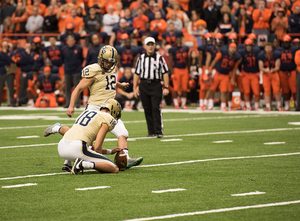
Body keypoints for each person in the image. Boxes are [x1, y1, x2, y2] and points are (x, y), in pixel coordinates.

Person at [46, 45, 142, 171]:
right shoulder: (94, 70)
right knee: (81, 135)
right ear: (100, 59)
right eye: (106, 61)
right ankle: (67, 162)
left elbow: (108, 80)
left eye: (111, 62)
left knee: (123, 133)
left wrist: (119, 84)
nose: (108, 64)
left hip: (111, 110)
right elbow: (79, 88)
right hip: (95, 108)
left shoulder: (111, 69)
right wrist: (71, 105)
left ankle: (126, 157)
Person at [55, 99, 122, 175]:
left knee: (85, 149)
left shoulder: (88, 111)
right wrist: (101, 163)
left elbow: (89, 147)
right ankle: (83, 164)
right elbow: (97, 147)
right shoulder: (107, 118)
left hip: (62, 146)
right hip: (76, 148)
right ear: (114, 111)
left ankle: (67, 163)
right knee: (114, 168)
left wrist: (110, 152)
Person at [133, 37, 169, 138]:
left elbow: (165, 73)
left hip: (156, 84)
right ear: (145, 46)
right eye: (148, 45)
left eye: (152, 44)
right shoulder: (141, 58)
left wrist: (166, 86)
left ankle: (159, 131)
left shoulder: (159, 58)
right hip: (144, 84)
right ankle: (151, 131)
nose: (150, 46)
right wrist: (135, 87)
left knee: (155, 107)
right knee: (147, 108)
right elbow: (136, 74)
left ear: (154, 45)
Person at [204, 43, 242, 112]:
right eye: (232, 48)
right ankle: (204, 104)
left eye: (234, 48)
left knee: (223, 91)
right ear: (229, 48)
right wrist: (210, 68)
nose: (233, 49)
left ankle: (223, 106)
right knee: (211, 89)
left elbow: (234, 68)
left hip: (225, 75)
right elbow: (215, 60)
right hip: (217, 73)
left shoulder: (236, 57)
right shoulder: (223, 52)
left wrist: (233, 78)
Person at [61, 35, 83, 108]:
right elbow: (62, 59)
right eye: (69, 41)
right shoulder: (64, 49)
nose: (71, 42)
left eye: (72, 41)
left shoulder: (79, 48)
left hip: (76, 70)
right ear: (67, 41)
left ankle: (77, 103)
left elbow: (81, 58)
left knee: (77, 87)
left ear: (74, 41)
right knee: (67, 88)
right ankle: (67, 103)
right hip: (67, 71)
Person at [258, 42, 282, 111]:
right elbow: (260, 67)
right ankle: (268, 106)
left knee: (277, 90)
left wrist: (273, 70)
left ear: (272, 48)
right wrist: (265, 69)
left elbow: (277, 67)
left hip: (274, 73)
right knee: (267, 90)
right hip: (265, 74)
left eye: (269, 47)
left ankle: (278, 106)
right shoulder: (261, 55)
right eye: (267, 47)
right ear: (265, 48)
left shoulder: (276, 55)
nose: (268, 49)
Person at [168, 37, 190, 109]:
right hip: (176, 69)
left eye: (180, 40)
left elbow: (188, 60)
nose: (179, 42)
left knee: (184, 88)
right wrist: (172, 73)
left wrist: (188, 71)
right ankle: (176, 104)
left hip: (184, 69)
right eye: (177, 41)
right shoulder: (172, 50)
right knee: (176, 88)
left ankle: (183, 104)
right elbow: (170, 62)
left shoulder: (186, 48)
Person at [277, 35, 297, 111]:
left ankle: (296, 103)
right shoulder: (278, 50)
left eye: (287, 42)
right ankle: (286, 105)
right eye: (285, 42)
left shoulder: (294, 50)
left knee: (294, 89)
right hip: (282, 71)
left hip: (292, 71)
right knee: (285, 89)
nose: (286, 44)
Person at [240, 38, 261, 111]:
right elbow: (239, 62)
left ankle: (256, 106)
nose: (248, 47)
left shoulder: (257, 52)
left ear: (252, 46)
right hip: (245, 74)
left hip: (254, 74)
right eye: (247, 45)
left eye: (250, 45)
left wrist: (259, 71)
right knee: (247, 91)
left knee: (256, 92)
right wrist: (239, 71)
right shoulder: (242, 53)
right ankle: (248, 106)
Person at [0, 41, 14, 107]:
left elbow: (10, 61)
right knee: (0, 88)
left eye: (6, 46)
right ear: (2, 46)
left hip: (9, 72)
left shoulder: (10, 53)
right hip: (1, 72)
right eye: (4, 46)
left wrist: (5, 55)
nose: (5, 47)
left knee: (10, 88)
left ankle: (11, 102)